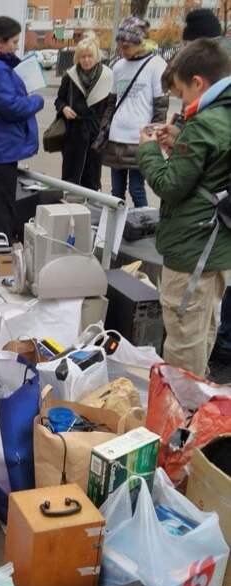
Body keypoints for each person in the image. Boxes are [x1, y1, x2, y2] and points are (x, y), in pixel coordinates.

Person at [137, 38, 231, 378]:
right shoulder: (223, 114)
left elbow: (170, 186)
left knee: (182, 343)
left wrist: (147, 150)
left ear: (198, 83)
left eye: (180, 91)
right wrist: (181, 140)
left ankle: (181, 419)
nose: (180, 99)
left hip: (193, 247)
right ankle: (198, 410)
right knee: (204, 328)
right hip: (217, 246)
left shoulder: (205, 123)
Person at [0, 17, 44, 242]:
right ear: (0, 41)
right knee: (2, 213)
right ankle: (1, 262)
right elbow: (9, 107)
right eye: (13, 41)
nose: (15, 46)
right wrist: (36, 102)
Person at [97, 17, 168, 208]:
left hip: (139, 140)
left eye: (126, 47)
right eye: (120, 46)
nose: (122, 51)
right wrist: (104, 129)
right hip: (116, 138)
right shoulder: (119, 66)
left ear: (140, 43)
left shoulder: (156, 64)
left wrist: (153, 137)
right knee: (115, 192)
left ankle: (143, 230)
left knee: (137, 189)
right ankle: (114, 231)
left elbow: (160, 107)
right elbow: (112, 104)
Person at [55, 36, 112, 190]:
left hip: (96, 132)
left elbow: (111, 107)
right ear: (77, 58)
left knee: (92, 176)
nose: (86, 60)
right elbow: (59, 99)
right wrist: (64, 108)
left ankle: (90, 209)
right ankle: (69, 208)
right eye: (82, 56)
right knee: (70, 176)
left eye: (89, 56)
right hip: (74, 131)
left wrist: (104, 128)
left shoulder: (107, 76)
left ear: (96, 57)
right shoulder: (69, 76)